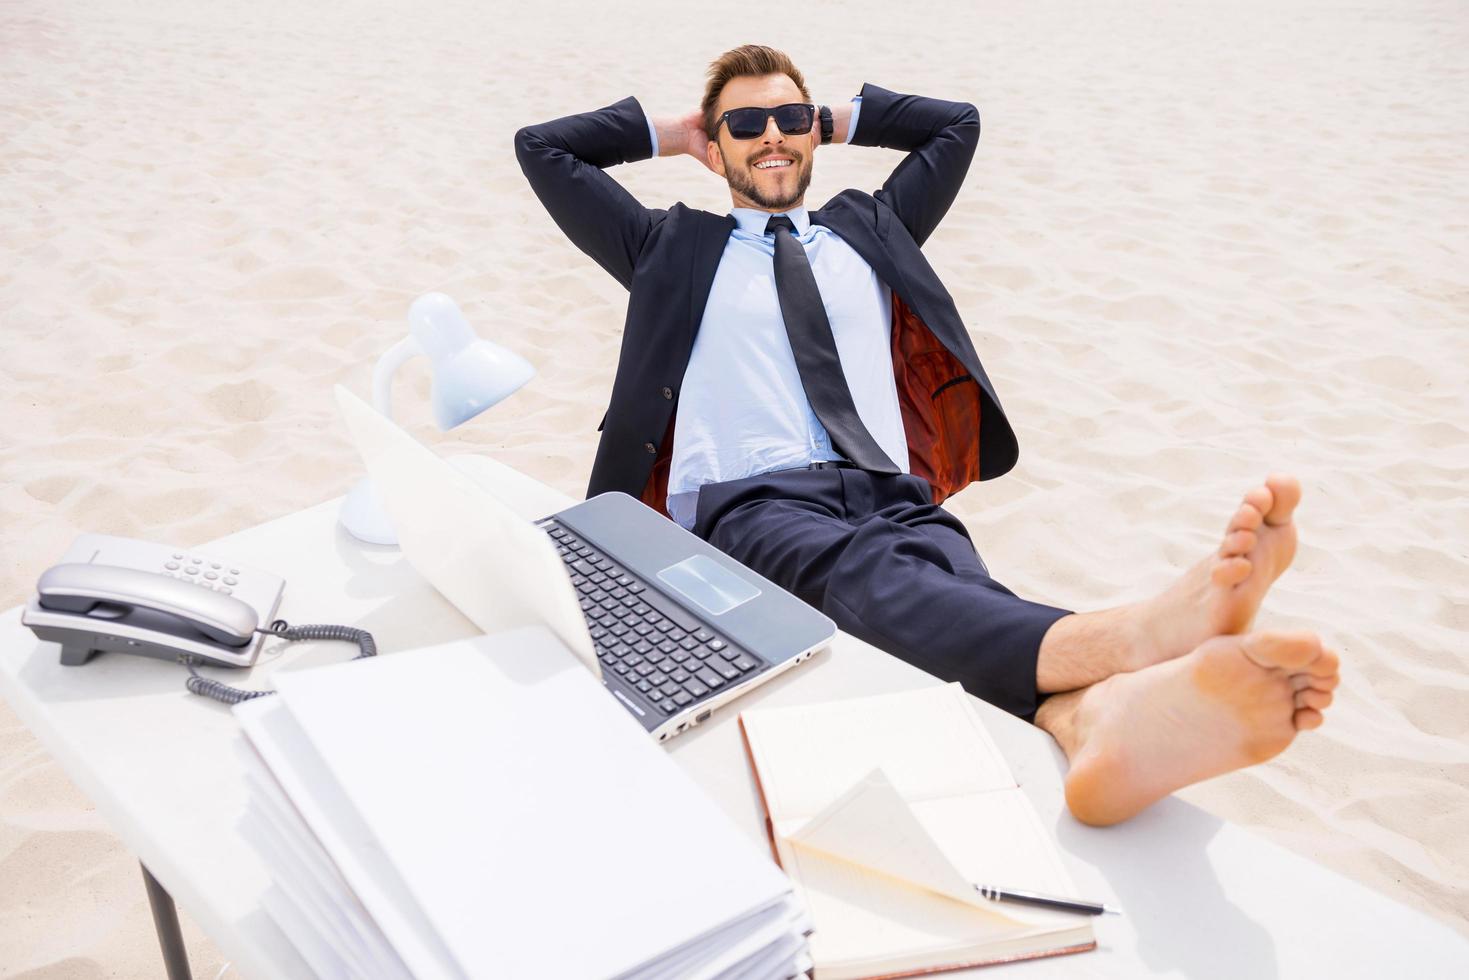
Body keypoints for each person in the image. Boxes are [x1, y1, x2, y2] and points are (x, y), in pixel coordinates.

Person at [515, 44, 1339, 825]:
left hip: (890, 491)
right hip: (750, 505)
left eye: (790, 120)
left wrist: (830, 117)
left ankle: (1093, 721)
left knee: (950, 588)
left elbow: (956, 124)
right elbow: (544, 149)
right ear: (715, 143)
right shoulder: (669, 247)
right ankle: (1127, 637)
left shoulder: (871, 227)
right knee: (873, 576)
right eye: (743, 125)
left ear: (814, 134)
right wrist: (678, 134)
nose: (771, 135)